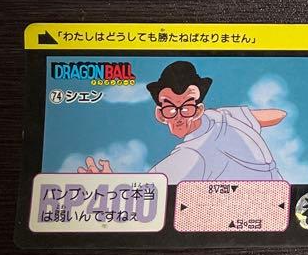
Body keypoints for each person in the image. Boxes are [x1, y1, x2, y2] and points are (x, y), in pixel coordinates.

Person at [77, 60, 286, 183]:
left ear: (198, 110)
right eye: (170, 109)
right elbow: (276, 115)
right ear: (160, 114)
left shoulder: (192, 155)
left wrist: (109, 183)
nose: (178, 117)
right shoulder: (220, 116)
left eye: (185, 108)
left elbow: (149, 191)